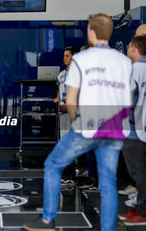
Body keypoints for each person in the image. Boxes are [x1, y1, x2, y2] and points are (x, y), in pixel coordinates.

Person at [23, 13, 132, 231]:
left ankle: (47, 220)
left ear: (91, 32)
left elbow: (70, 100)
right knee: (108, 183)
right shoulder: (124, 61)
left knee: (53, 165)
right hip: (112, 128)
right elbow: (127, 100)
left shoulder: (81, 61)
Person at [117, 35, 146, 226]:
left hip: (134, 129)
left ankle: (143, 213)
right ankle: (140, 208)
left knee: (139, 174)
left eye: (128, 47)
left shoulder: (133, 69)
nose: (127, 50)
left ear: (134, 48)